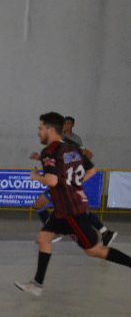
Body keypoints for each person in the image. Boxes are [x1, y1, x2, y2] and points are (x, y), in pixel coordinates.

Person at [15, 112, 131, 297]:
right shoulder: (73, 148)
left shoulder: (50, 151)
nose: (38, 132)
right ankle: (37, 284)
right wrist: (73, 185)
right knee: (44, 237)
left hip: (71, 212)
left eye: (41, 128)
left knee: (95, 251)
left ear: (51, 130)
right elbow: (92, 170)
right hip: (64, 209)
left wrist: (36, 177)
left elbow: (52, 181)